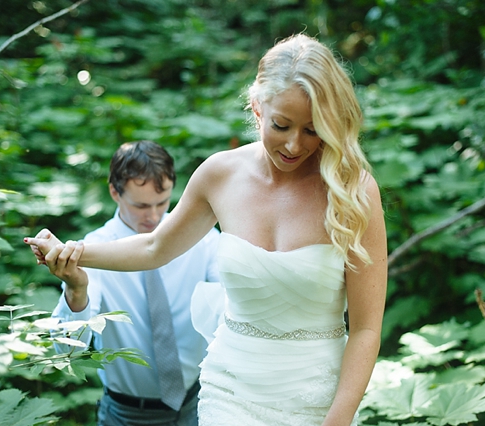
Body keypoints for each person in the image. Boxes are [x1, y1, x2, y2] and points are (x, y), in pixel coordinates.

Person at [27, 34, 387, 426]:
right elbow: (154, 248)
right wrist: (71, 251)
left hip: (318, 395)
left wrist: (339, 417)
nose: (294, 145)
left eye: (313, 130)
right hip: (229, 391)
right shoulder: (220, 175)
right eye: (281, 125)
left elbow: (366, 329)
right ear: (257, 108)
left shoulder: (353, 191)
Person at [45, 140, 220, 426]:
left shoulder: (203, 240)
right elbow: (67, 352)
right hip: (125, 416)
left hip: (198, 408)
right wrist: (76, 290)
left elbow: (232, 312)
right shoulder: (93, 250)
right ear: (115, 192)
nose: (153, 217)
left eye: (161, 202)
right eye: (140, 205)